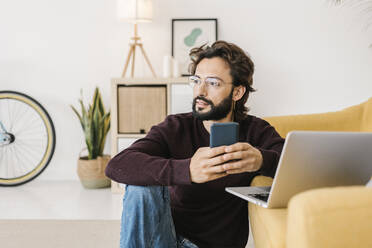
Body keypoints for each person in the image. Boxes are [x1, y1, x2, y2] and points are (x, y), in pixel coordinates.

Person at [105, 40, 285, 248]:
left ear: (237, 92)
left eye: (213, 83)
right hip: (166, 240)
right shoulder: (175, 127)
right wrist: (186, 170)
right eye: (196, 80)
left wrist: (262, 159)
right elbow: (118, 165)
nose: (201, 91)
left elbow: (297, 166)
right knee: (141, 188)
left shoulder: (256, 131)